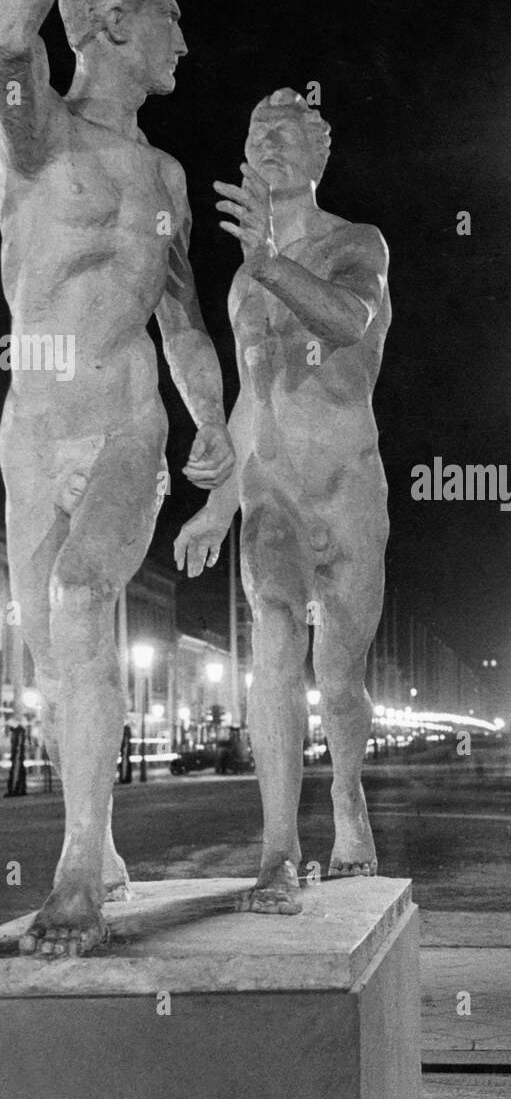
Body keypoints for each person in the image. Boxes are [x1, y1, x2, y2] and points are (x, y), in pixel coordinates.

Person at [0, 0, 235, 956]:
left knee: (88, 603)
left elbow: (183, 320)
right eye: (167, 18)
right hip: (32, 423)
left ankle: (79, 863)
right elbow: (6, 18)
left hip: (128, 419)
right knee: (53, 657)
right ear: (107, 24)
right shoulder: (32, 134)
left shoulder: (166, 180)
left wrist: (215, 433)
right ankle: (101, 835)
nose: (184, 39)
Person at [175, 90, 390, 913]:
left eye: (286, 134)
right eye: (256, 132)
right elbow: (250, 402)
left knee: (338, 677)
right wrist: (219, 504)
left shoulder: (355, 244)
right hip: (273, 495)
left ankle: (346, 793)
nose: (268, 145)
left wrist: (270, 259)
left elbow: (347, 318)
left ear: (318, 153)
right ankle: (278, 848)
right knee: (271, 634)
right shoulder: (240, 284)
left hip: (348, 487)